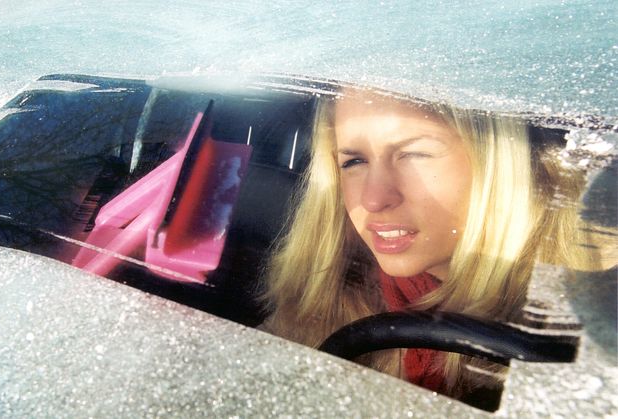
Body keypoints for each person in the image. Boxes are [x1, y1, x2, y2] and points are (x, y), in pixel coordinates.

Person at [259, 87, 614, 405]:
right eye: (354, 161)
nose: (373, 199)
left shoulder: (595, 312)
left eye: (413, 154)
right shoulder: (325, 296)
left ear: (498, 163)